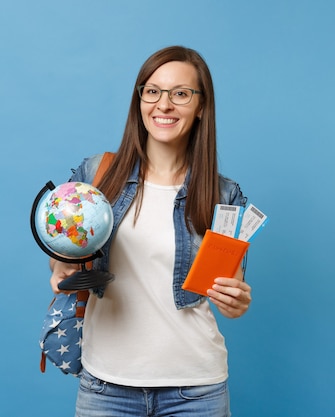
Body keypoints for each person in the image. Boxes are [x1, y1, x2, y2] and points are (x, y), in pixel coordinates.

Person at [49, 45, 252, 417]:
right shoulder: (97, 176)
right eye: (153, 91)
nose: (164, 104)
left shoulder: (224, 195)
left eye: (180, 94)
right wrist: (61, 267)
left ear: (201, 106)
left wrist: (235, 302)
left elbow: (230, 290)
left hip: (197, 390)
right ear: (140, 99)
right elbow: (62, 256)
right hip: (105, 386)